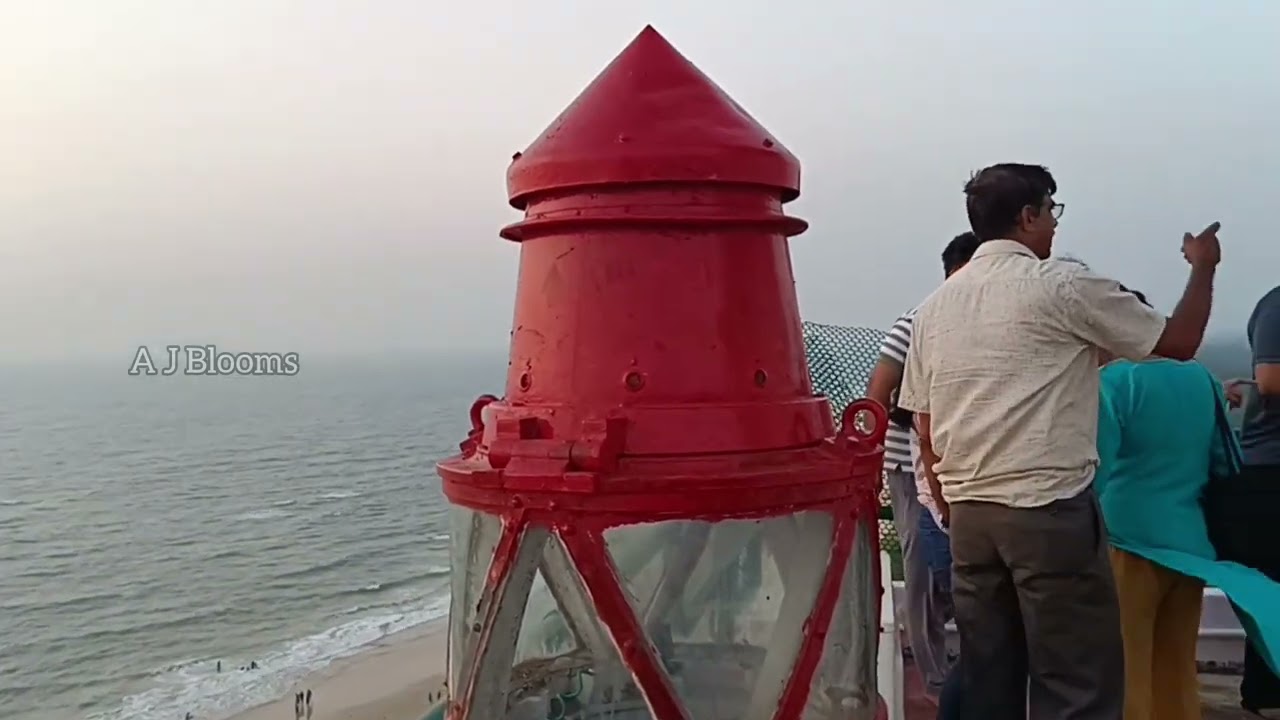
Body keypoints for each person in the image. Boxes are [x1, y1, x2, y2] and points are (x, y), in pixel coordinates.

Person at [898, 162, 1221, 720]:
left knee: (988, 678)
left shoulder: (933, 309)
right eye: (1052, 210)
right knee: (1075, 682)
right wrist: (1203, 269)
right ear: (1028, 216)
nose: (1054, 224)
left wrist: (951, 505)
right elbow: (1180, 340)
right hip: (1045, 510)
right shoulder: (1062, 285)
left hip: (971, 517)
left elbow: (924, 424)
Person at [1093, 285, 1240, 720]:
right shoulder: (1201, 379)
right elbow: (1222, 460)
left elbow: (1095, 469)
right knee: (1177, 670)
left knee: (1127, 670)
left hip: (1128, 541)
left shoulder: (1113, 383)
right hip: (1190, 544)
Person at [866, 230, 980, 700]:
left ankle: (967, 669)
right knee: (923, 569)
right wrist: (875, 451)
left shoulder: (979, 325)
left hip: (967, 461)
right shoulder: (916, 323)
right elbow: (879, 390)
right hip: (910, 464)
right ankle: (933, 674)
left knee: (965, 565)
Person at [1227, 284, 1280, 713]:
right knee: (1272, 594)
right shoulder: (1278, 305)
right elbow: (1271, 378)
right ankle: (1267, 695)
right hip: (1272, 472)